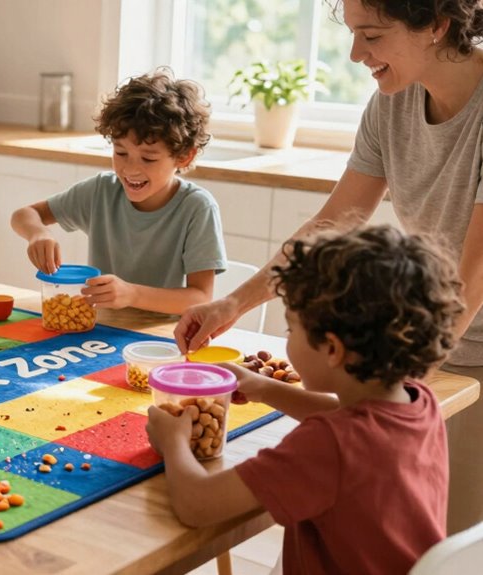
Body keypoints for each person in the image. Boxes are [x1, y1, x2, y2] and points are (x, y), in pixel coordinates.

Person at [173, 0, 483, 535]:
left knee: (444, 547)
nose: (355, 53)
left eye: (373, 36)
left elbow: (472, 276)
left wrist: (399, 385)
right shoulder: (392, 104)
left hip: (450, 354)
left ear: (436, 25)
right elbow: (335, 219)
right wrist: (234, 302)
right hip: (414, 354)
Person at [149, 225, 463, 574]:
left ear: (332, 348)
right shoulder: (419, 403)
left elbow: (199, 505)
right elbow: (349, 417)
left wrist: (174, 440)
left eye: (291, 329)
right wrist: (266, 388)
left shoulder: (328, 445)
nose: (288, 338)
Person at [10, 68, 226, 315]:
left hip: (160, 337)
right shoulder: (102, 191)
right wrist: (38, 234)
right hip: (102, 329)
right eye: (121, 153)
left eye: (148, 158)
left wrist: (131, 294)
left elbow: (200, 298)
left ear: (184, 157)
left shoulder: (196, 208)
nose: (130, 169)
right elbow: (24, 215)